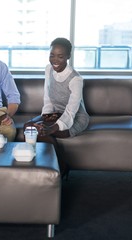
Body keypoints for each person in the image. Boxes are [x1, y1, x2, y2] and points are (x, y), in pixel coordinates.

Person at [24, 37, 89, 177]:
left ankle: (58, 168)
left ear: (68, 56)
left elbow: (71, 111)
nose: (55, 60)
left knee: (45, 132)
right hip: (55, 113)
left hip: (75, 118)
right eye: (52, 55)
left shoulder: (76, 79)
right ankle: (60, 164)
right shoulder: (49, 69)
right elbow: (47, 97)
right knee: (29, 127)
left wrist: (51, 128)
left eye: (60, 56)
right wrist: (44, 119)